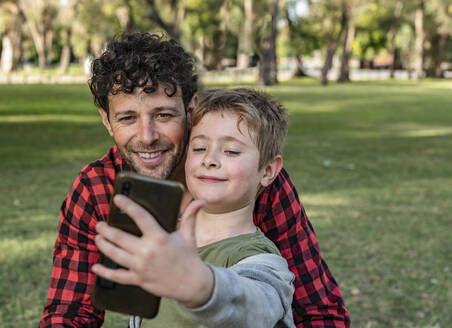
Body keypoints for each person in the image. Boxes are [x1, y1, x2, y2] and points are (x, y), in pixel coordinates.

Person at [39, 32, 350, 328]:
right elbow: (70, 313)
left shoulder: (242, 179)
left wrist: (202, 287)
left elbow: (306, 306)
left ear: (190, 109)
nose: (147, 137)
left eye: (163, 115)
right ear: (107, 120)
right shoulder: (98, 188)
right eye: (127, 118)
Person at [93, 88, 296, 327]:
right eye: (199, 148)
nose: (209, 159)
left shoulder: (260, 259)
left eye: (231, 151)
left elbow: (258, 303)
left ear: (269, 170)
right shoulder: (163, 238)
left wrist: (202, 287)